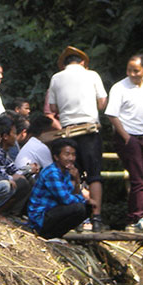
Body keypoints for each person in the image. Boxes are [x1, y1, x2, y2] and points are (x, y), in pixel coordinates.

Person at [46, 46, 107, 230]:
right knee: (94, 175)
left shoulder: (56, 78)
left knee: (72, 173)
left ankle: (77, 216)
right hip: (89, 130)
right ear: (82, 62)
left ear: (65, 63)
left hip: (68, 132)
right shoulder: (92, 75)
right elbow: (102, 102)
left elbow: (54, 107)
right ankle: (96, 218)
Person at [105, 54, 143, 233]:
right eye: (129, 70)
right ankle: (139, 217)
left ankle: (133, 219)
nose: (132, 74)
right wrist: (126, 137)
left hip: (141, 137)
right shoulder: (119, 88)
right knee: (138, 178)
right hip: (126, 136)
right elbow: (111, 114)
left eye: (136, 70)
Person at [27, 138, 92, 239]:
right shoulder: (52, 173)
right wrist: (83, 200)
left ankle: (55, 235)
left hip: (54, 211)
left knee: (87, 208)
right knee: (79, 207)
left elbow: (73, 194)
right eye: (67, 154)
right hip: (41, 218)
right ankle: (46, 234)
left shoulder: (66, 172)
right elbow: (66, 199)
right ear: (56, 157)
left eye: (73, 154)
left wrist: (77, 180)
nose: (71, 158)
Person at [0, 120, 32, 216]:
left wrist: (28, 170)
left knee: (25, 180)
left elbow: (12, 169)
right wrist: (8, 178)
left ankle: (10, 213)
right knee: (6, 185)